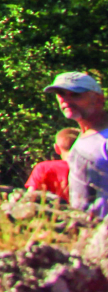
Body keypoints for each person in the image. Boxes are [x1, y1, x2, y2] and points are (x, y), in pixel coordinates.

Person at [49, 71, 108, 219]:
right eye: (61, 94)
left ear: (99, 100)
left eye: (76, 95)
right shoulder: (83, 136)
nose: (66, 101)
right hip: (90, 233)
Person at [23, 127, 80, 199]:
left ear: (56, 148)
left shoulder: (43, 168)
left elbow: (30, 196)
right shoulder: (89, 167)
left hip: (53, 208)